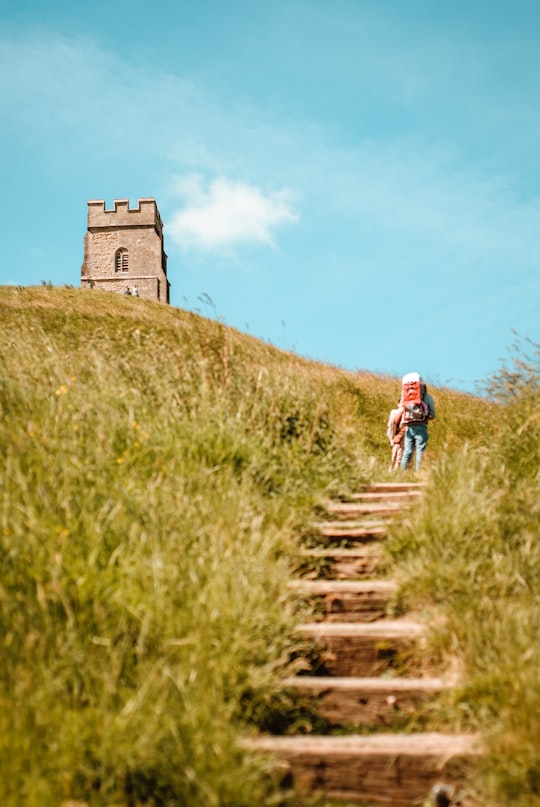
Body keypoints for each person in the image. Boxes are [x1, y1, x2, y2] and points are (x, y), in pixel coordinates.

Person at [399, 378, 436, 472]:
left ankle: (402, 473)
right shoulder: (427, 397)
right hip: (421, 426)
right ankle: (418, 473)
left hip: (409, 426)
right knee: (420, 450)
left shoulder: (407, 395)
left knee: (407, 450)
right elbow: (432, 415)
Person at [386, 402, 406, 470]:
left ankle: (394, 471)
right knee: (396, 456)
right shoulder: (395, 412)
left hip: (399, 436)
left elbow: (390, 426)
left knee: (397, 456)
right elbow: (391, 426)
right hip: (399, 436)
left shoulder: (396, 412)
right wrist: (391, 438)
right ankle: (394, 470)